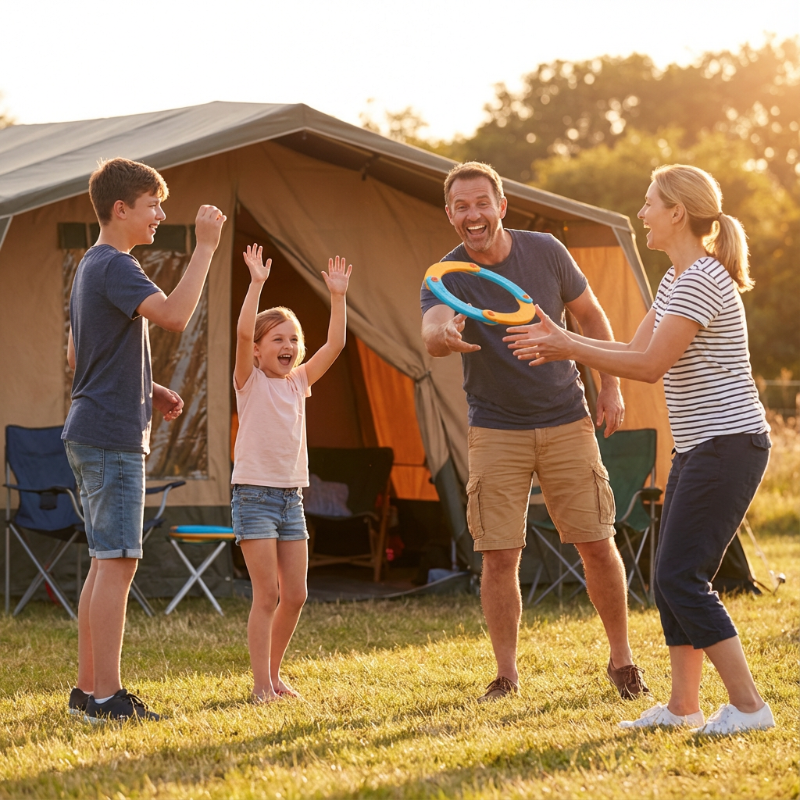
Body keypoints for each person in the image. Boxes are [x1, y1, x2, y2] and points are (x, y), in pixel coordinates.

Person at [509, 164, 775, 735]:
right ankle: (684, 707)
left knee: (683, 576)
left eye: (650, 202)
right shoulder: (675, 280)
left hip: (729, 444)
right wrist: (567, 344)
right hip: (700, 445)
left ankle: (750, 707)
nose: (642, 212)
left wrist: (564, 343)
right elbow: (630, 351)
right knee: (667, 574)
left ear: (677, 212)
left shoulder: (704, 278)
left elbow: (651, 366)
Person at [420, 161, 649, 702]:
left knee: (597, 542)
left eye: (482, 203)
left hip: (567, 416)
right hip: (495, 426)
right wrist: (444, 338)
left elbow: (591, 317)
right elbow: (430, 331)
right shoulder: (444, 275)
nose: (472, 215)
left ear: (501, 206)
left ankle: (623, 661)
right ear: (450, 213)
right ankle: (506, 676)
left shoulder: (546, 250)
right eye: (461, 206)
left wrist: (609, 389)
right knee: (499, 555)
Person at [63, 157, 226, 723]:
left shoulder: (90, 265)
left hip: (93, 427)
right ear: (121, 208)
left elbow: (77, 354)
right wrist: (205, 247)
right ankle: (106, 699)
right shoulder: (118, 265)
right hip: (109, 435)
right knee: (118, 563)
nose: (161, 215)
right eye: (153, 205)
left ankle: (87, 691)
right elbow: (177, 316)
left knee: (104, 561)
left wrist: (147, 386)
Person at [232, 244, 351, 703]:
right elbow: (243, 334)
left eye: (293, 339)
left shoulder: (300, 382)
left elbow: (336, 344)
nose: (288, 347)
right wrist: (257, 284)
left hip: (290, 500)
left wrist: (337, 297)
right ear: (259, 351)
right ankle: (261, 684)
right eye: (277, 339)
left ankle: (275, 675)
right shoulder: (251, 380)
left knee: (296, 595)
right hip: (255, 498)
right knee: (266, 595)